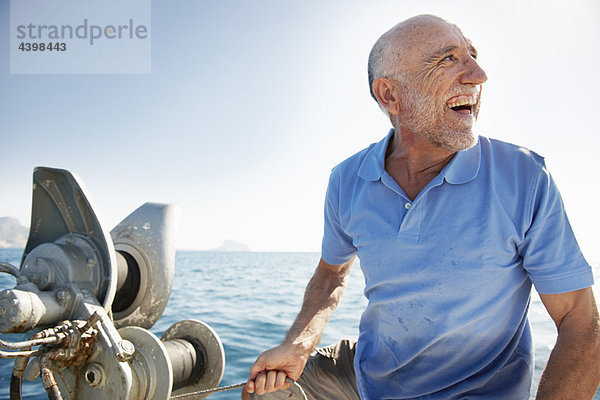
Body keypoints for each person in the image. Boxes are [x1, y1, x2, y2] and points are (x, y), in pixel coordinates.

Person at [243, 14, 600, 399]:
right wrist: (300, 342)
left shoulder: (524, 177)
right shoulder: (347, 180)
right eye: (447, 59)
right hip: (366, 375)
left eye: (472, 55)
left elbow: (580, 320)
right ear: (390, 96)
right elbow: (331, 274)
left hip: (476, 392)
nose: (478, 75)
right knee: (260, 393)